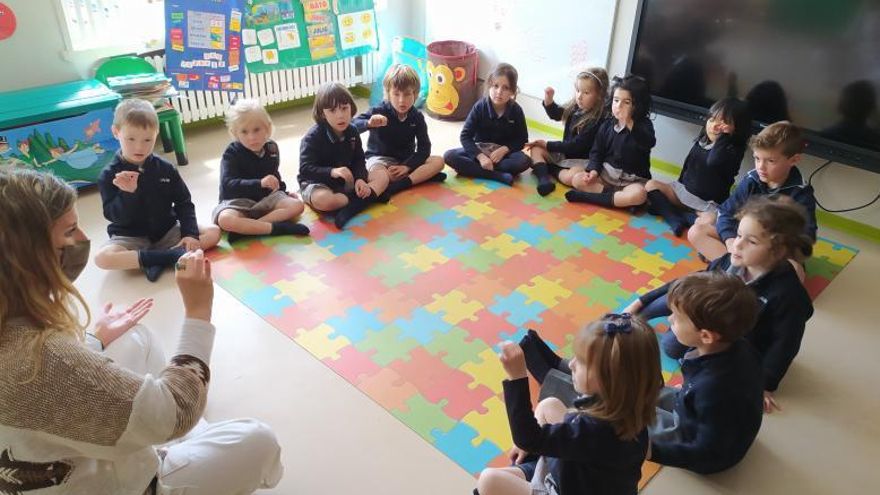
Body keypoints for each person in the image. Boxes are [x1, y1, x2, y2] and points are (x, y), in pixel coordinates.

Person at [0, 168, 282, 494]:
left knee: (134, 336)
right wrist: (198, 312)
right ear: (27, 256)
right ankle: (173, 445)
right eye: (70, 231)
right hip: (128, 484)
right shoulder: (41, 358)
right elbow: (175, 412)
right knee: (257, 440)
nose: (82, 240)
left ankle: (173, 436)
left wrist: (93, 341)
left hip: (61, 460)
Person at [625, 196, 814, 412]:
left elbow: (785, 344)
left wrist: (765, 384)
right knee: (672, 342)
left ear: (778, 252)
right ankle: (641, 316)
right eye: (739, 234)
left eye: (751, 241)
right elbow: (687, 288)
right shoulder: (729, 261)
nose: (737, 244)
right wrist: (641, 302)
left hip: (739, 346)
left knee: (707, 370)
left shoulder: (787, 294)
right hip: (711, 324)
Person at [476, 314, 662, 495]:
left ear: (610, 380)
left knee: (488, 480)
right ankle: (531, 460)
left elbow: (526, 437)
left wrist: (517, 377)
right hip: (580, 476)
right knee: (549, 404)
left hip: (566, 486)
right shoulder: (629, 407)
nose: (571, 364)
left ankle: (531, 463)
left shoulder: (594, 431)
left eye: (581, 362)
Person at [647, 271, 764, 474]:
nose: (669, 318)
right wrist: (687, 393)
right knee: (638, 392)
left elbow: (708, 451)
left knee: (622, 419)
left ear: (706, 336)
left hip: (696, 445)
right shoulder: (739, 347)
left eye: (677, 318)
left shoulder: (714, 388)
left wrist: (651, 452)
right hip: (696, 410)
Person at [94, 99, 220, 282]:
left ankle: (154, 259)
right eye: (131, 139)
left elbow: (184, 202)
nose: (139, 147)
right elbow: (115, 217)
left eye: (147, 140)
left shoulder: (166, 168)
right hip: (131, 237)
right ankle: (171, 256)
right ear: (116, 132)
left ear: (156, 134)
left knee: (213, 231)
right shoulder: (108, 175)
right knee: (103, 258)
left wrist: (189, 234)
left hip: (166, 232)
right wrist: (128, 194)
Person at [688, 121, 816, 262]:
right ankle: (734, 269)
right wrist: (730, 242)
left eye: (771, 161)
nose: (761, 166)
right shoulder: (751, 180)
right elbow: (726, 212)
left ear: (793, 160)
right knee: (696, 232)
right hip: (740, 242)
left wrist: (773, 249)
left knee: (796, 269)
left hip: (772, 252)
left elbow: (807, 236)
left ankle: (734, 269)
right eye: (757, 158)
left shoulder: (801, 194)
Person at [645, 97, 751, 236]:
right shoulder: (702, 141)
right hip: (683, 193)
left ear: (738, 129)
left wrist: (724, 138)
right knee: (650, 185)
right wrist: (678, 185)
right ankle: (675, 217)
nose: (714, 126)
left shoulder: (732, 151)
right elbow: (688, 165)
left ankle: (675, 214)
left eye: (723, 123)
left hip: (705, 205)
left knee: (710, 222)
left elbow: (714, 161)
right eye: (712, 120)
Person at [213, 98, 309, 244]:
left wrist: (284, 191)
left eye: (256, 130)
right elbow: (228, 184)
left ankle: (248, 231)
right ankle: (275, 228)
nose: (252, 137)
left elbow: (274, 174)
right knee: (225, 219)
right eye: (244, 132)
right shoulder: (231, 153)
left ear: (268, 128)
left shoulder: (272, 148)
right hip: (239, 201)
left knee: (297, 205)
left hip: (265, 200)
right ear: (235, 133)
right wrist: (259, 183)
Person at [298, 82, 389, 229]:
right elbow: (305, 169)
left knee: (382, 176)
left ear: (351, 108)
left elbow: (359, 159)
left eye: (344, 108)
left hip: (347, 181)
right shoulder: (312, 137)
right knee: (326, 201)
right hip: (319, 183)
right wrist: (332, 172)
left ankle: (358, 202)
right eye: (332, 111)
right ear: (323, 114)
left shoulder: (352, 131)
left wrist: (360, 179)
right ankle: (366, 198)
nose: (340, 115)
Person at [352, 64, 446, 197]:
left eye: (407, 94)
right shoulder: (379, 110)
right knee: (379, 175)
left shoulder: (417, 117)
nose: (402, 101)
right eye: (396, 94)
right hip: (380, 160)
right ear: (388, 94)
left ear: (415, 94)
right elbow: (351, 126)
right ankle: (417, 178)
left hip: (405, 161)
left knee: (439, 161)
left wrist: (407, 166)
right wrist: (368, 123)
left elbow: (424, 148)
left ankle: (402, 183)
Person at [565, 75, 657, 209]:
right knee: (577, 179)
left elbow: (648, 142)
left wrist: (629, 122)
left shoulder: (644, 125)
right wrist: (594, 171)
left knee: (639, 195)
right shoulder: (607, 124)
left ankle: (590, 198)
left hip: (633, 180)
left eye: (626, 102)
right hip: (606, 176)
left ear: (638, 105)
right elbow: (597, 152)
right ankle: (616, 199)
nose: (619, 106)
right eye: (616, 100)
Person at [443, 63, 531, 186]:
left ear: (512, 91)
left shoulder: (516, 110)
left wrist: (504, 150)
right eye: (495, 86)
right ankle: (497, 175)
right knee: (449, 156)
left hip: (503, 155)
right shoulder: (480, 107)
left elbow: (522, 139)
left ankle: (474, 170)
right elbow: (465, 136)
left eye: (505, 88)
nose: (499, 92)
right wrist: (480, 157)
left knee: (524, 161)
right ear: (489, 86)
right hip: (481, 150)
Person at [527, 67, 609, 196]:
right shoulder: (575, 107)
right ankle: (544, 179)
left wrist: (548, 144)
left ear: (599, 96)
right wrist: (549, 102)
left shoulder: (597, 120)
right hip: (565, 154)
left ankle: (549, 169)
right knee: (536, 149)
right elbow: (557, 113)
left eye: (586, 93)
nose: (579, 96)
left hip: (582, 160)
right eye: (578, 90)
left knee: (571, 178)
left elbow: (576, 146)